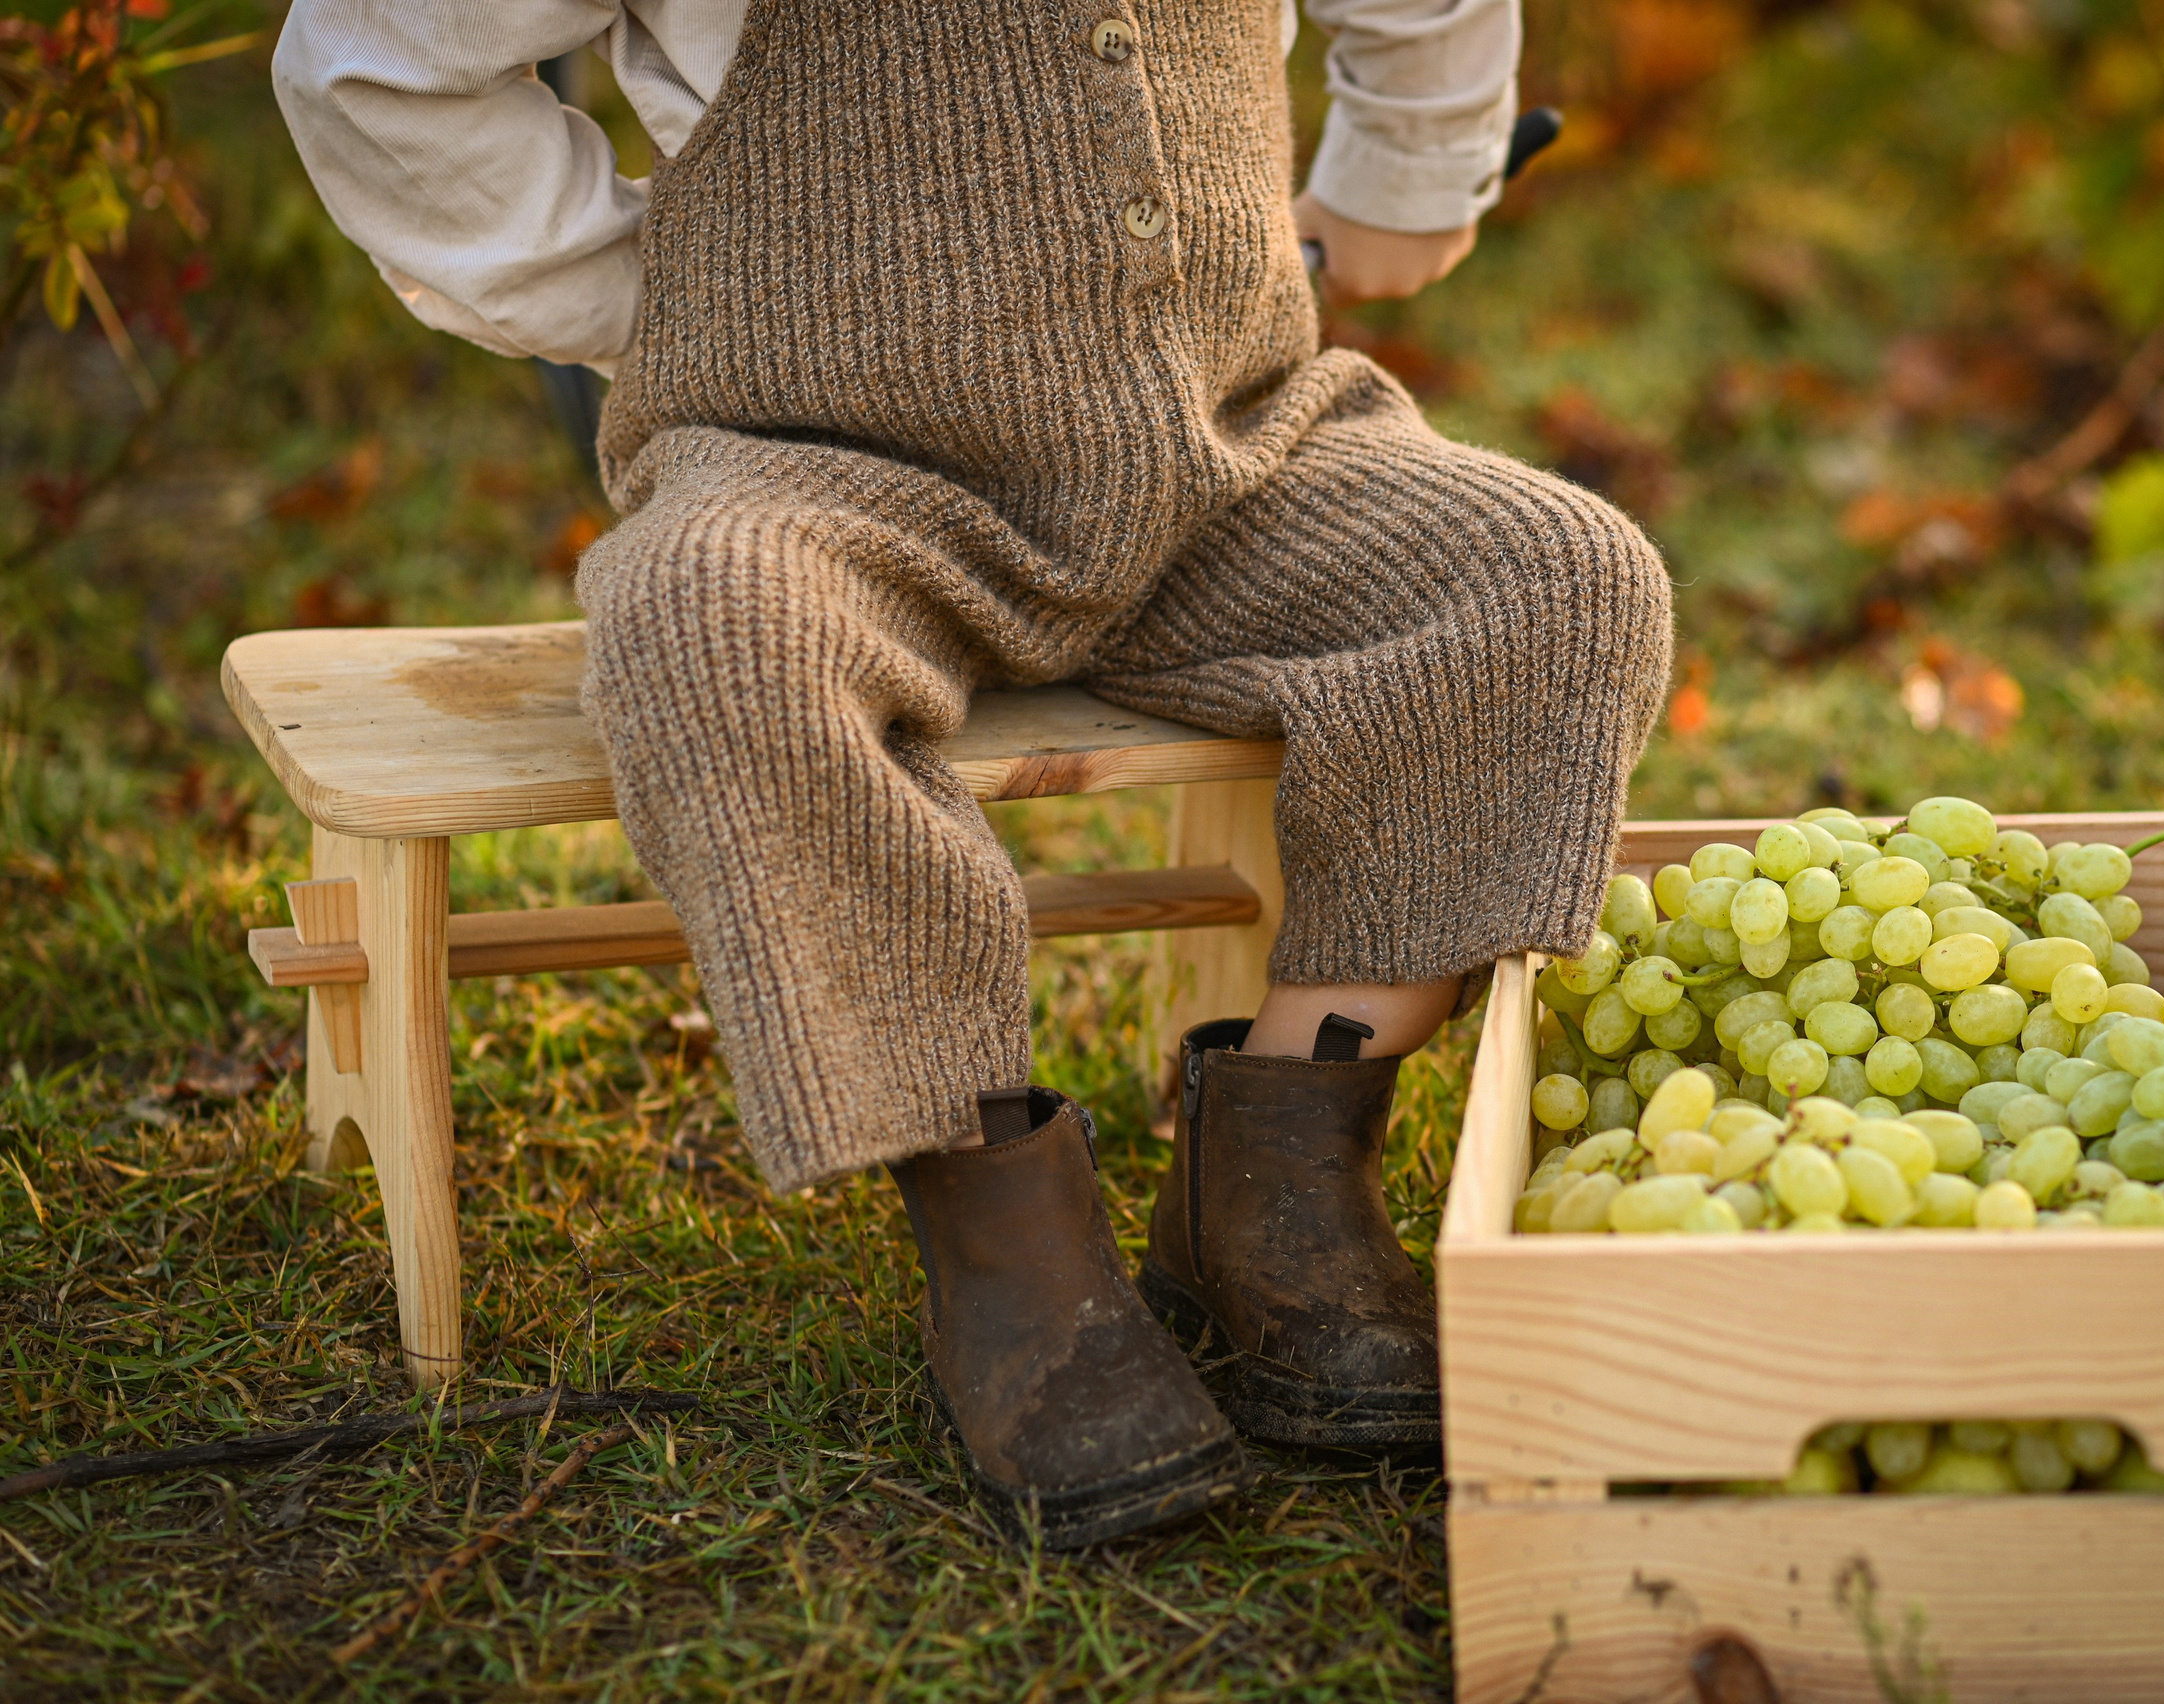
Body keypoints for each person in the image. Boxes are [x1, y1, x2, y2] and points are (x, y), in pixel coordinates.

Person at [273, 0, 1671, 1547]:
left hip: (1227, 448)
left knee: (1554, 578)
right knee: (716, 631)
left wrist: (1406, 177)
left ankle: (1285, 1168)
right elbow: (381, 65)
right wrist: (643, 292)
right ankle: (1001, 1226)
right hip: (817, 462)